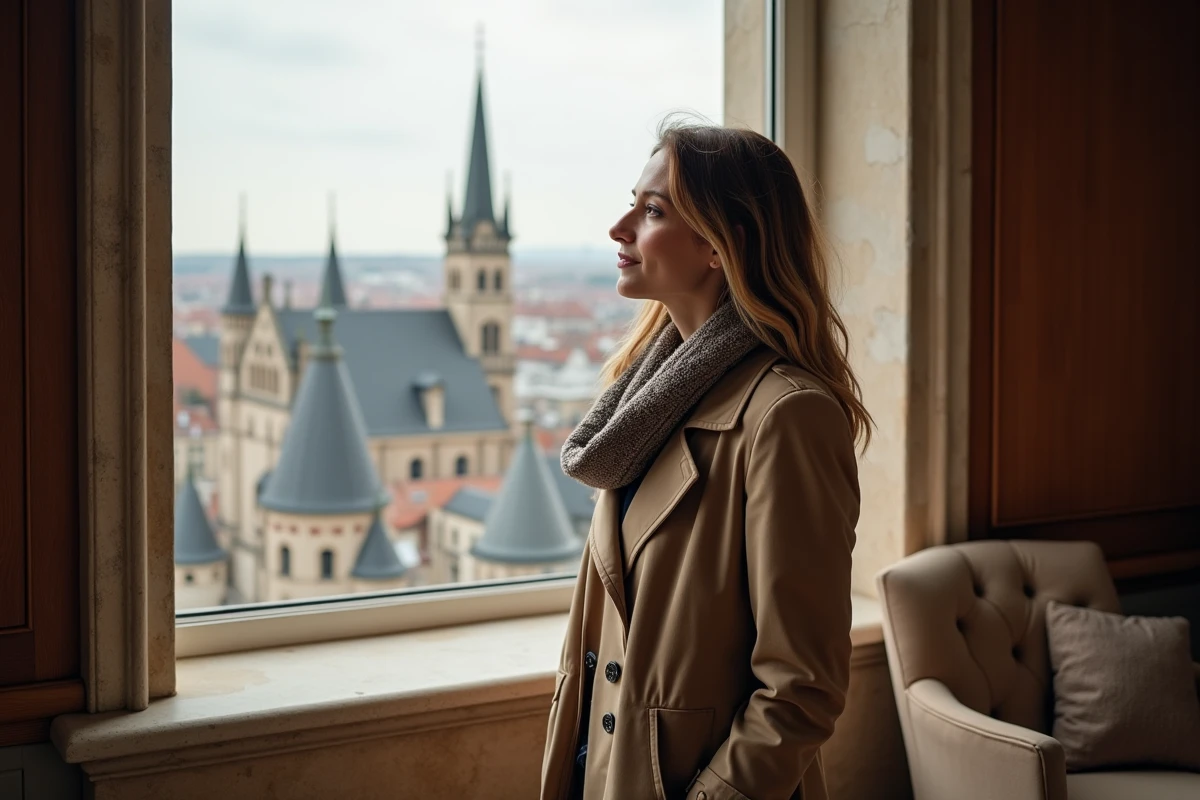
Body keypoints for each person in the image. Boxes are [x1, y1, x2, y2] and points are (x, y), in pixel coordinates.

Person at [542, 121, 872, 800]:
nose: (619, 227)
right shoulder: (645, 399)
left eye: (653, 209)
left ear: (722, 244)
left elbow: (801, 688)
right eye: (633, 201)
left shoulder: (787, 415)